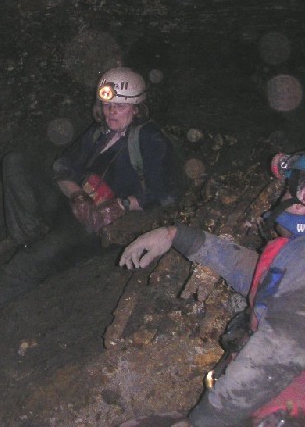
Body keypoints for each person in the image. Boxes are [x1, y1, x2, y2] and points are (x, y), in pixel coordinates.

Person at [0, 67, 181, 340]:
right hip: (75, 208)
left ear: (136, 108)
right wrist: (76, 195)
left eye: (120, 106)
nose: (111, 112)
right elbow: (63, 166)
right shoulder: (101, 132)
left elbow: (166, 192)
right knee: (15, 162)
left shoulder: (149, 138)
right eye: (107, 105)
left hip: (99, 227)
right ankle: (29, 234)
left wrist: (122, 205)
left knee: (30, 261)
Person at [118, 151, 305, 427]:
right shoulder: (295, 254)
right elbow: (256, 276)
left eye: (287, 189)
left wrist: (202, 421)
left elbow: (277, 353)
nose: (280, 200)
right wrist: (174, 235)